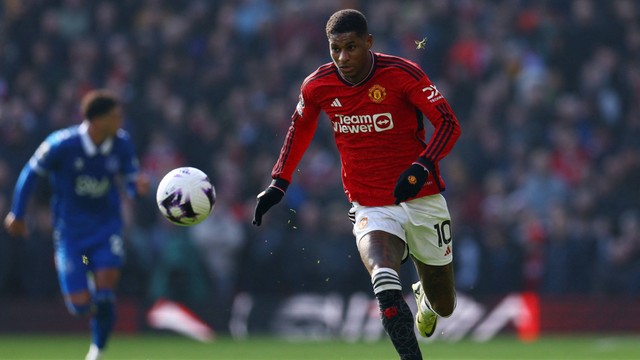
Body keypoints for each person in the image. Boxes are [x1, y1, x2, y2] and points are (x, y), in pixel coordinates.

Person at [253, 9, 461, 360]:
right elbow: (299, 129)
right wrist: (279, 182)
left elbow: (448, 124)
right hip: (370, 204)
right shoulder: (318, 85)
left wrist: (422, 166)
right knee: (383, 277)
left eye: (351, 47)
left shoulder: (401, 73)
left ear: (369, 42)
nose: (342, 57)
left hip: (421, 198)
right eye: (335, 48)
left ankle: (426, 298)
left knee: (445, 304)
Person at [4, 89, 150, 360]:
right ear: (96, 120)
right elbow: (30, 174)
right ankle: (89, 284)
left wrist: (138, 188)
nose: (120, 121)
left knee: (107, 292)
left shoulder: (122, 143)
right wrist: (18, 214)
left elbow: (131, 184)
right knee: (81, 306)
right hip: (73, 236)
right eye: (114, 116)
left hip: (107, 228)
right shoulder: (61, 144)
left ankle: (97, 351)